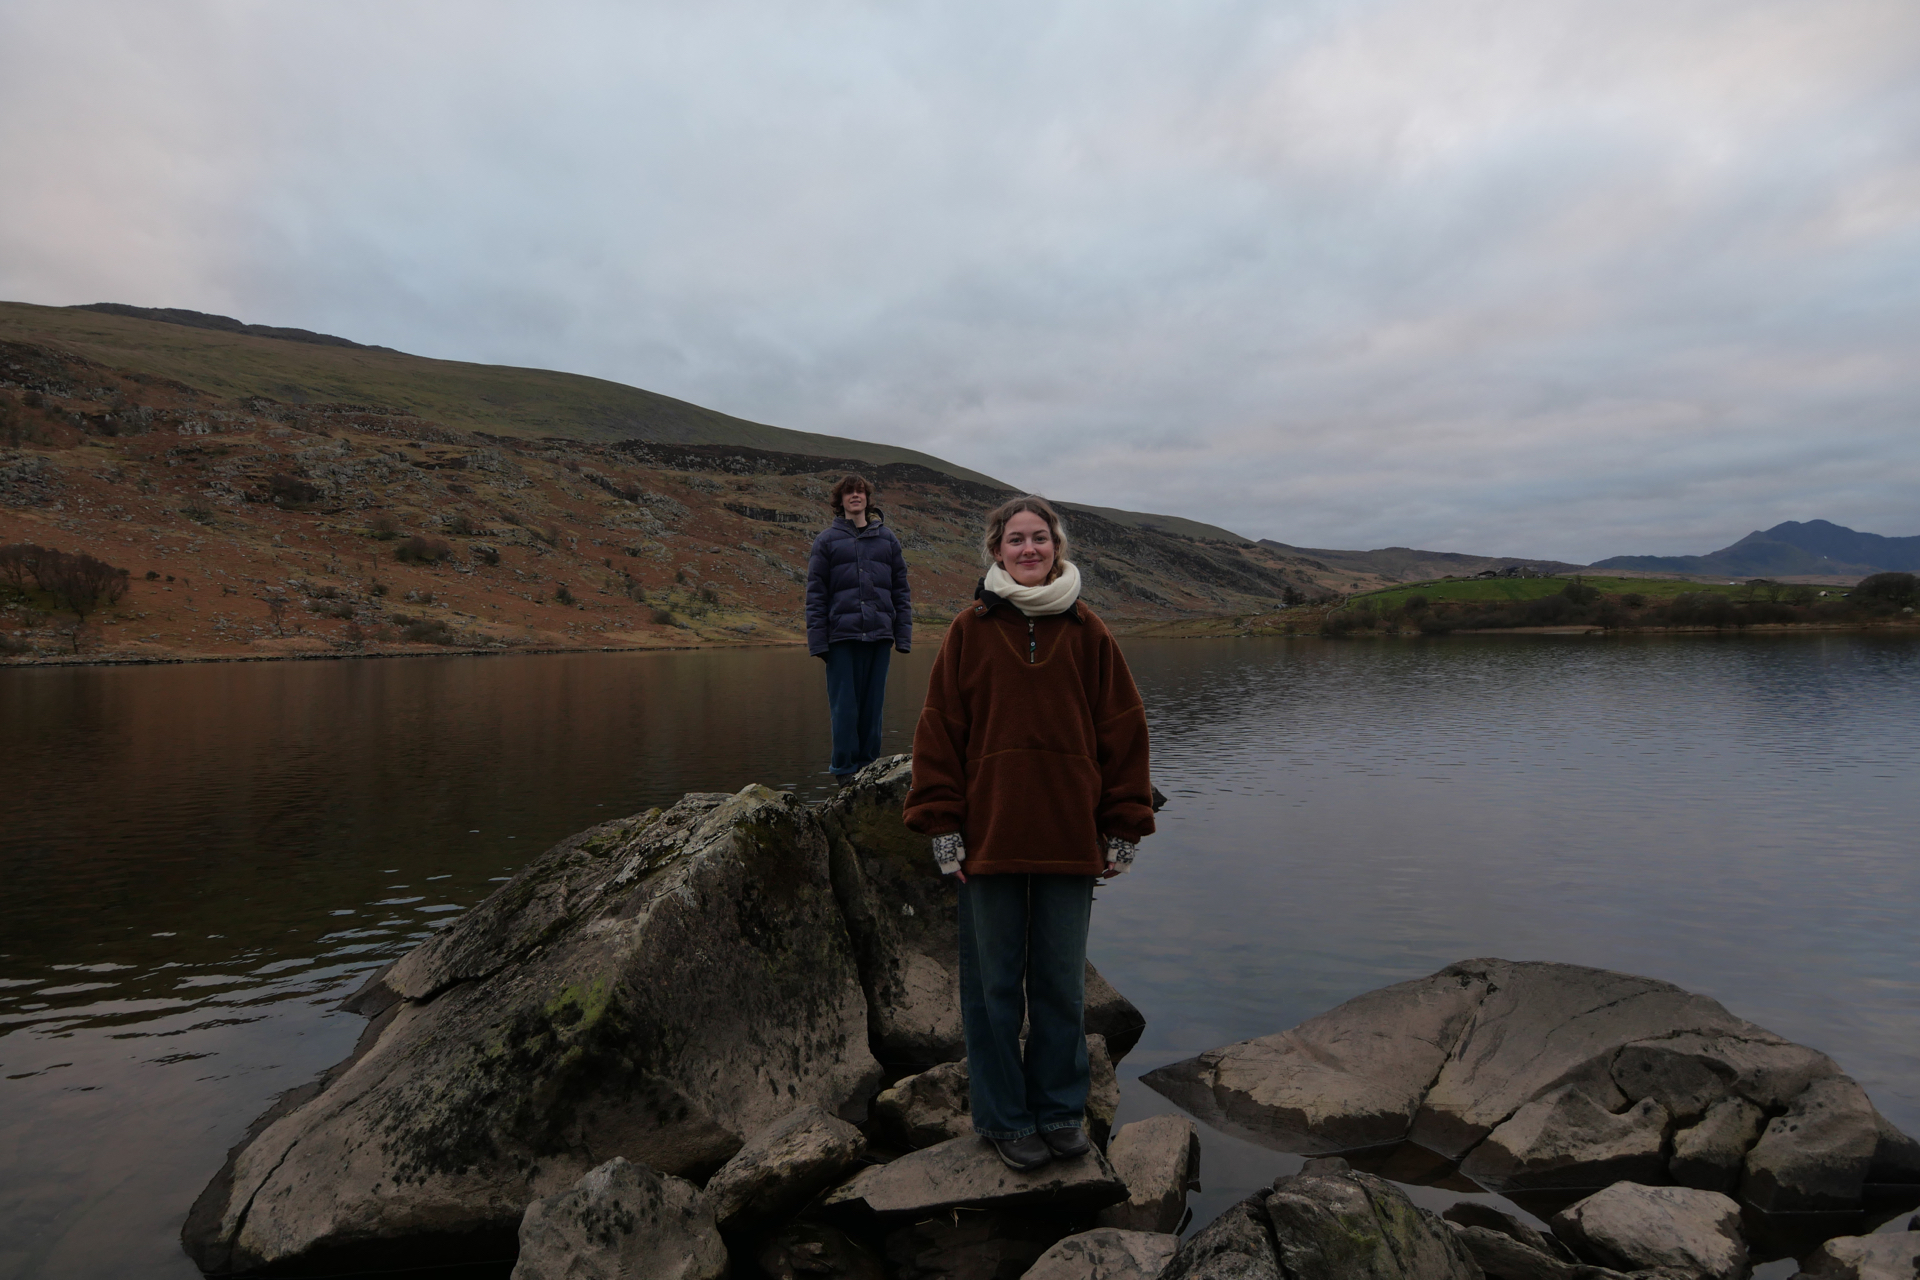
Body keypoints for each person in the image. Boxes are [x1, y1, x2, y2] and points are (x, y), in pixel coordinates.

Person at [903, 495, 1155, 1171]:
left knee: (1059, 986)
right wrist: (942, 826)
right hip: (989, 838)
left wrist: (1124, 826)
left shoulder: (1089, 630)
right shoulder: (969, 630)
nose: (1029, 549)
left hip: (1071, 838)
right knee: (992, 991)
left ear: (1056, 546)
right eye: (1015, 539)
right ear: (997, 550)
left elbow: (1124, 730)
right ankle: (1004, 1118)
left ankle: (1060, 1111)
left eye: (1039, 537)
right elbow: (940, 731)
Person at [806, 474, 913, 782]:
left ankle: (868, 770)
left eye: (860, 491)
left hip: (879, 636)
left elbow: (901, 591)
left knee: (872, 708)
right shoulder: (826, 541)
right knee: (844, 708)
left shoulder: (888, 540)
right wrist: (818, 643)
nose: (855, 496)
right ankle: (844, 772)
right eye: (849, 492)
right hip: (841, 637)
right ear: (840, 500)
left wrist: (902, 636)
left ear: (867, 498)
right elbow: (815, 595)